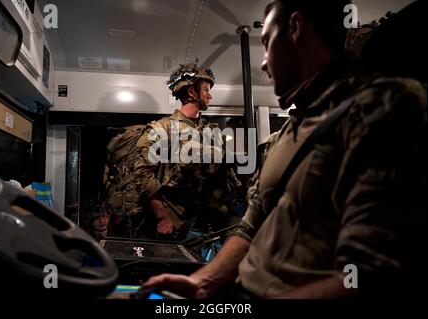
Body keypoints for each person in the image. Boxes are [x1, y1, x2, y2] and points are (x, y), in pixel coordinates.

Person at [141, 0, 426, 298]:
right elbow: (251, 226)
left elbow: (370, 275)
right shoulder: (285, 136)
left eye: (266, 43)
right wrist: (203, 282)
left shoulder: (383, 108)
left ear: (295, 28)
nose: (264, 63)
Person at [134, 61, 242, 240]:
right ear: (192, 92)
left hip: (205, 221)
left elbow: (225, 173)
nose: (210, 96)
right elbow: (142, 175)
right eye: (206, 90)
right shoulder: (163, 128)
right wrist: (162, 215)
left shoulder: (210, 131)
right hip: (173, 222)